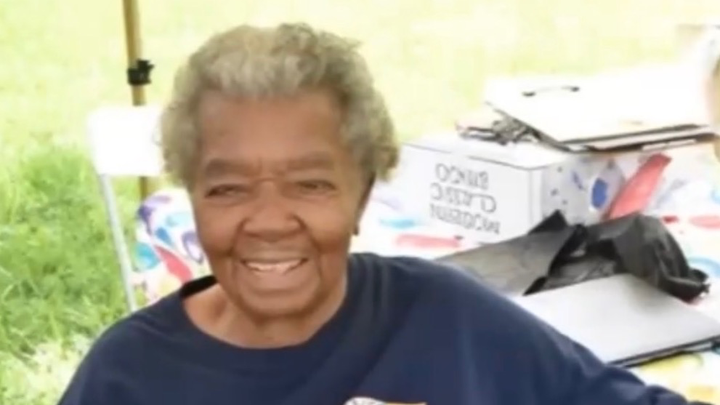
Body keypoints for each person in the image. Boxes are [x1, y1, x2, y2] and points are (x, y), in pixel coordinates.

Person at [59, 23, 704, 405]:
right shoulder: (129, 377)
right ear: (193, 198)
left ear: (363, 195)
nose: (270, 221)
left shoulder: (448, 319)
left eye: (311, 185)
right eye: (228, 189)